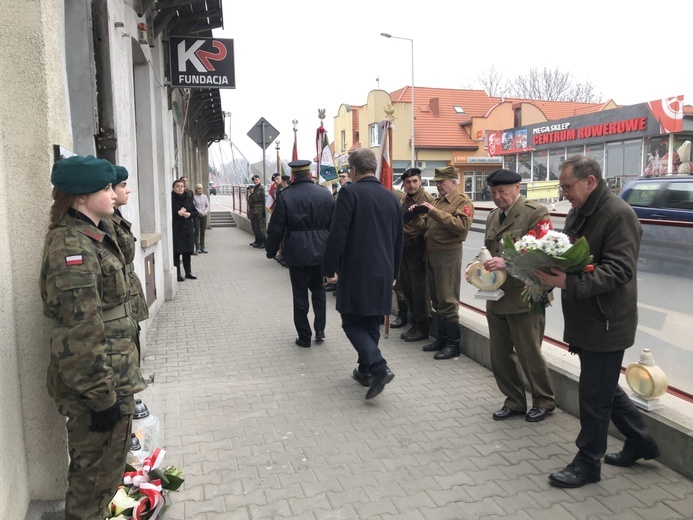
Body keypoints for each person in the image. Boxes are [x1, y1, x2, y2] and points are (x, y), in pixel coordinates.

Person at [536, 155, 659, 488]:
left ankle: (587, 463)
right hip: (589, 318)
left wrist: (567, 283)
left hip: (607, 320)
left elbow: (620, 270)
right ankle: (641, 441)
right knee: (602, 387)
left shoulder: (618, 215)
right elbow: (572, 252)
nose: (564, 194)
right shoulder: (580, 211)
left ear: (590, 181)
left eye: (567, 186)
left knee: (593, 395)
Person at [40, 155, 147, 520]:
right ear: (81, 196)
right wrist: (101, 397)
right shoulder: (72, 246)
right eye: (105, 188)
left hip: (113, 374)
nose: (114, 194)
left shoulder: (92, 233)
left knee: (107, 471)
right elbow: (78, 329)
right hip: (97, 386)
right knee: (93, 477)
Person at [471, 168, 555, 422]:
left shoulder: (536, 213)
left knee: (529, 352)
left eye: (503, 192)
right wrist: (475, 267)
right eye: (494, 192)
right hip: (496, 296)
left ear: (518, 188)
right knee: (499, 354)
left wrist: (507, 262)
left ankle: (544, 400)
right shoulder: (493, 216)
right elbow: (488, 251)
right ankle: (514, 400)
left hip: (526, 295)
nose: (497, 197)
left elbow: (545, 253)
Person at [322, 148, 403, 399]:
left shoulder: (349, 192)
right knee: (370, 322)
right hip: (384, 271)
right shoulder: (391, 197)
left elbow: (338, 234)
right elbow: (399, 239)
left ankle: (378, 366)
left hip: (357, 271)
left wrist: (328, 268)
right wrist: (394, 272)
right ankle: (366, 370)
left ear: (353, 170)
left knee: (350, 321)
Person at [265, 159, 334, 347]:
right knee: (319, 291)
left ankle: (304, 337)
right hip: (321, 251)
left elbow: (276, 227)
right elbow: (335, 226)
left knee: (300, 294)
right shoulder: (325, 194)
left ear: (293, 175)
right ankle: (320, 330)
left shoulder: (286, 196)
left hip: (297, 253)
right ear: (310, 173)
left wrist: (271, 250)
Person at [413, 166, 473, 360]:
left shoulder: (462, 201)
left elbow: (461, 227)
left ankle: (453, 344)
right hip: (432, 253)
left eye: (441, 182)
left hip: (448, 254)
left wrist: (434, 212)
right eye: (437, 182)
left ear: (453, 182)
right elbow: (428, 228)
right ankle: (442, 338)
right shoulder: (439, 201)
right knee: (436, 299)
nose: (438, 186)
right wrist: (416, 217)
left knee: (447, 299)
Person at [103, 165, 150, 325]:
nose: (128, 190)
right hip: (120, 292)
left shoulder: (114, 216)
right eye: (123, 185)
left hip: (127, 285)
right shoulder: (105, 221)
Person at [398, 167, 435, 342]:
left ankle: (422, 326)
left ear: (420, 181)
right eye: (408, 182)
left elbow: (427, 227)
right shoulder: (404, 198)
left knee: (419, 289)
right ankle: (415, 323)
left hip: (417, 247)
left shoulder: (426, 200)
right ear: (403, 184)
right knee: (407, 287)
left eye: (415, 181)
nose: (412, 185)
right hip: (404, 247)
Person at [171, 179, 198, 281]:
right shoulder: (171, 198)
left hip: (187, 227)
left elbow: (195, 212)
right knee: (176, 252)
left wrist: (189, 214)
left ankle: (188, 272)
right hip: (176, 228)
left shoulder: (188, 198)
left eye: (181, 186)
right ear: (174, 188)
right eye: (177, 186)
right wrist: (177, 213)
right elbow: (166, 213)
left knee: (187, 251)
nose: (180, 188)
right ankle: (177, 273)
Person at [248, 174, 266, 248]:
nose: (255, 181)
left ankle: (264, 242)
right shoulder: (255, 188)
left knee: (261, 227)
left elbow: (264, 200)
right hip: (255, 211)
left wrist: (264, 210)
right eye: (254, 180)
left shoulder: (262, 189)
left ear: (259, 180)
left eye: (256, 180)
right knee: (256, 227)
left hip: (260, 210)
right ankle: (258, 241)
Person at [193, 183, 210, 254]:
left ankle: (203, 246)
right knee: (197, 231)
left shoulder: (204, 196)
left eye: (201, 188)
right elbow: (194, 207)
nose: (200, 190)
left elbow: (207, 205)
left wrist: (205, 212)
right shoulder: (193, 196)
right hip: (197, 216)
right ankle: (197, 247)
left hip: (204, 215)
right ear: (196, 189)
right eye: (199, 188)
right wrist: (200, 212)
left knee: (203, 231)